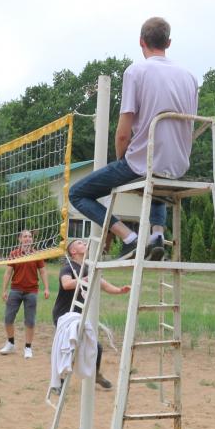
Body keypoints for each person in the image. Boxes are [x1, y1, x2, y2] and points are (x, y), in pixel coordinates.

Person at [69, 17, 199, 260]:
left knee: (77, 193)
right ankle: (157, 235)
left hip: (145, 164)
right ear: (168, 43)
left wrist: (121, 160)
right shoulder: (190, 77)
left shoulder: (136, 72)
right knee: (156, 171)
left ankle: (130, 238)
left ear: (141, 41)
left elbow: (122, 133)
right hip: (177, 165)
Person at [54, 239, 131, 389]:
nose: (84, 244)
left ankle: (95, 375)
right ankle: (59, 382)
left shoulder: (90, 267)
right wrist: (85, 279)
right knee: (69, 348)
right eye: (80, 243)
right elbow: (67, 284)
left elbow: (102, 283)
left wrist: (119, 290)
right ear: (73, 251)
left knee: (97, 347)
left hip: (81, 316)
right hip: (65, 316)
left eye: (84, 242)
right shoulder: (68, 268)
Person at [0, 230, 49, 359]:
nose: (28, 238)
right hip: (15, 290)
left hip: (31, 291)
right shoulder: (14, 254)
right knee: (8, 319)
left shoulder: (37, 254)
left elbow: (43, 272)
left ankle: (28, 347)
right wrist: (4, 290)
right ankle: (10, 343)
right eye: (25, 236)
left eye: (29, 236)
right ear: (20, 239)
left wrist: (46, 288)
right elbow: (8, 273)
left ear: (32, 239)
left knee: (30, 321)